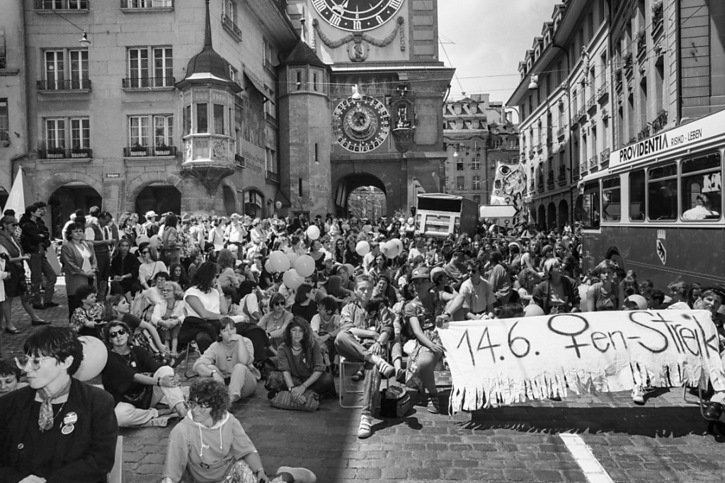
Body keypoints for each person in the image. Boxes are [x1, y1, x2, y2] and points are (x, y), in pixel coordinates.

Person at [0, 326, 118, 481]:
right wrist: (17, 480)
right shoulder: (9, 404)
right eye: (25, 360)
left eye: (36, 361)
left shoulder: (97, 402)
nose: (27, 369)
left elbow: (100, 460)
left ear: (65, 362)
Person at [162, 379, 271, 483]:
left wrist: (259, 470)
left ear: (216, 407)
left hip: (229, 474)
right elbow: (172, 469)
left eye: (203, 406)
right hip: (200, 480)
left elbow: (247, 450)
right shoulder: (181, 430)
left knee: (244, 468)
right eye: (193, 404)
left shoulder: (230, 422)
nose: (195, 411)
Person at [334, 274, 395, 439]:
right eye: (362, 289)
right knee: (341, 337)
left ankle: (365, 416)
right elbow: (349, 330)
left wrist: (380, 342)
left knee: (373, 363)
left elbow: (388, 329)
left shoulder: (380, 306)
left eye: (369, 288)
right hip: (352, 349)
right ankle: (373, 358)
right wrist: (372, 334)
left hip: (372, 349)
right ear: (355, 290)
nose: (366, 292)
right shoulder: (348, 308)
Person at [101, 320, 187, 428]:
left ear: (128, 333)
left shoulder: (137, 351)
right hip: (125, 401)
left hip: (147, 396)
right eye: (113, 335)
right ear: (110, 340)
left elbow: (157, 367)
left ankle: (181, 410)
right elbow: (133, 376)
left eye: (121, 332)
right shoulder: (109, 357)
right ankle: (156, 413)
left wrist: (172, 375)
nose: (118, 336)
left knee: (165, 370)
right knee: (119, 417)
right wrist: (159, 382)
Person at [401, 267, 446, 414]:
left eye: (422, 281)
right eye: (415, 282)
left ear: (429, 283)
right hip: (426, 340)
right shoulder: (410, 306)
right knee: (424, 362)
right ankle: (433, 395)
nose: (418, 285)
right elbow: (417, 332)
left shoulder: (436, 297)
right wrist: (432, 345)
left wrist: (448, 314)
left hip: (444, 334)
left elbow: (459, 298)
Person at [193, 317, 260, 404]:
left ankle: (228, 401)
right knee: (209, 367)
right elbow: (197, 365)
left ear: (236, 329)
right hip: (225, 382)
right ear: (220, 334)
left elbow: (244, 362)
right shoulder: (215, 346)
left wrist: (240, 340)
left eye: (232, 329)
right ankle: (219, 397)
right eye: (225, 330)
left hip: (246, 382)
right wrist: (213, 373)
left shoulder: (245, 342)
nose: (230, 333)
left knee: (239, 367)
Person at [0, 214, 47, 333]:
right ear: (5, 225)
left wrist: (22, 257)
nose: (16, 227)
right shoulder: (1, 239)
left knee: (25, 294)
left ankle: (34, 317)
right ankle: (9, 324)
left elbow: (18, 251)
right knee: (8, 298)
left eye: (16, 224)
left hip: (18, 269)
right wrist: (22, 258)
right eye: (13, 224)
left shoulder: (13, 237)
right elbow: (5, 258)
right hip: (9, 270)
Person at [19, 202, 59, 310]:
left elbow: (46, 234)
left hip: (41, 252)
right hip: (33, 253)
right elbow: (34, 238)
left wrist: (42, 237)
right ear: (32, 212)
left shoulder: (39, 222)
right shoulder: (27, 225)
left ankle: (47, 300)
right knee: (36, 278)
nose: (41, 212)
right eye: (38, 210)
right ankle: (36, 301)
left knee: (52, 276)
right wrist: (40, 236)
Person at [180, 261, 223, 353]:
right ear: (208, 276)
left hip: (216, 324)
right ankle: (209, 363)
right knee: (204, 338)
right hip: (198, 325)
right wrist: (222, 317)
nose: (217, 280)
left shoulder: (215, 292)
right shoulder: (191, 292)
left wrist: (220, 291)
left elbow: (224, 310)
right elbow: (203, 314)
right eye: (216, 276)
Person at [60, 221, 97, 319]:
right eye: (76, 231)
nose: (79, 233)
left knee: (90, 303)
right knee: (76, 304)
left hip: (90, 277)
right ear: (70, 234)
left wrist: (93, 269)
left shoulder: (88, 245)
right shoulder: (67, 247)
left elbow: (93, 259)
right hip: (76, 279)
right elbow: (69, 264)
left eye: (81, 231)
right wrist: (84, 273)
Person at [151, 281, 185, 356]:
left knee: (175, 329)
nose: (165, 292)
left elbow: (186, 315)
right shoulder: (160, 303)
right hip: (164, 326)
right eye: (164, 290)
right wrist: (163, 323)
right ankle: (167, 351)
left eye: (168, 290)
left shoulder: (182, 303)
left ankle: (174, 351)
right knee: (164, 328)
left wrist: (176, 321)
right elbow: (154, 317)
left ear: (175, 292)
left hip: (177, 326)